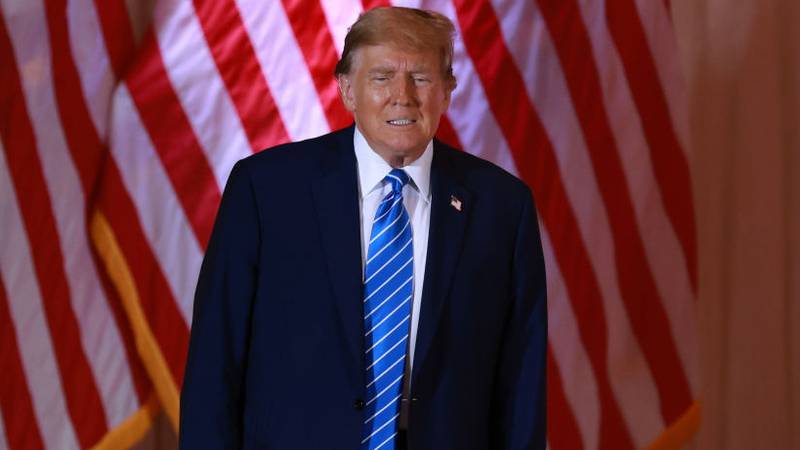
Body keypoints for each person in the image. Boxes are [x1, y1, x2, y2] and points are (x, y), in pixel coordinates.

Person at [179, 6, 546, 450]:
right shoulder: (267, 191)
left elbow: (521, 380)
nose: (403, 95)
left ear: (447, 92)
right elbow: (215, 363)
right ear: (347, 89)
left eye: (422, 78)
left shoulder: (502, 208)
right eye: (382, 77)